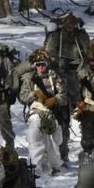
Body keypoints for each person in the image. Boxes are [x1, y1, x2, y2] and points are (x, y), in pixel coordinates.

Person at [43, 12, 91, 160]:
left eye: (74, 26)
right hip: (61, 73)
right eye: (69, 27)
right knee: (61, 119)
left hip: (77, 71)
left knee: (82, 112)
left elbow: (88, 51)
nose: (71, 29)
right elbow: (49, 53)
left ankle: (86, 149)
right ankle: (60, 154)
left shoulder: (81, 35)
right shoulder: (57, 36)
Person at [18, 49, 66, 177]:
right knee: (35, 139)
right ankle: (36, 167)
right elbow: (23, 97)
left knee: (53, 142)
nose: (40, 67)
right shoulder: (29, 78)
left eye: (43, 64)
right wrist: (33, 94)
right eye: (38, 64)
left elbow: (64, 96)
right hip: (36, 111)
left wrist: (55, 99)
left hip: (52, 112)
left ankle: (55, 167)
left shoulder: (54, 76)